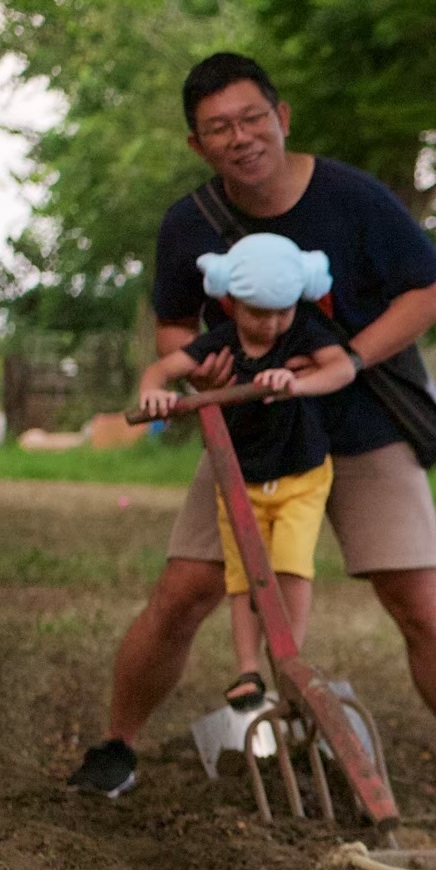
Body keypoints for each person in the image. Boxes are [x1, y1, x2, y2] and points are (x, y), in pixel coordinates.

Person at [67, 52, 436, 813]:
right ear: (198, 144)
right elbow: (175, 324)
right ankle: (117, 746)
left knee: (417, 598)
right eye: (218, 128)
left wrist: (342, 362)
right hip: (251, 434)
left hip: (366, 427)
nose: (240, 137)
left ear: (282, 118)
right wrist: (198, 375)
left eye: (251, 118)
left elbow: (435, 291)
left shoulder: (353, 199)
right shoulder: (190, 223)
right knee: (183, 592)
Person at [136, 233, 355, 711]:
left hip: (301, 476)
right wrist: (155, 392)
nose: (273, 324)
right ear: (231, 303)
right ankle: (248, 671)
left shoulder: (306, 331)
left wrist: (297, 383)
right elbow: (162, 370)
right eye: (259, 312)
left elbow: (342, 370)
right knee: (243, 577)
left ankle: (290, 664)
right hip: (239, 480)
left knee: (291, 566)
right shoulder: (222, 341)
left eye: (283, 311)